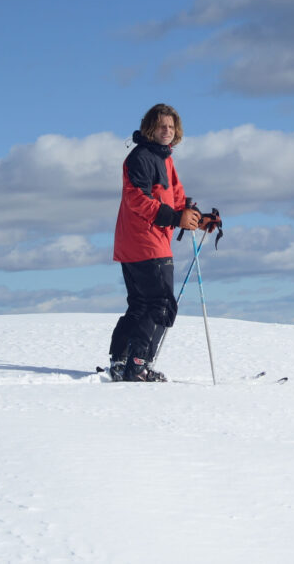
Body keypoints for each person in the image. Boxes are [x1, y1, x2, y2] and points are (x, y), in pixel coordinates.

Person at [108, 103, 204, 382]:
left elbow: (176, 198)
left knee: (139, 303)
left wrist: (197, 217)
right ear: (151, 127)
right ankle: (138, 365)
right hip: (145, 241)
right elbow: (137, 199)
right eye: (162, 126)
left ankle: (121, 361)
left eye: (171, 127)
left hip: (138, 242)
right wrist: (176, 217)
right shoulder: (141, 157)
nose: (167, 131)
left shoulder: (165, 159)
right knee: (159, 304)